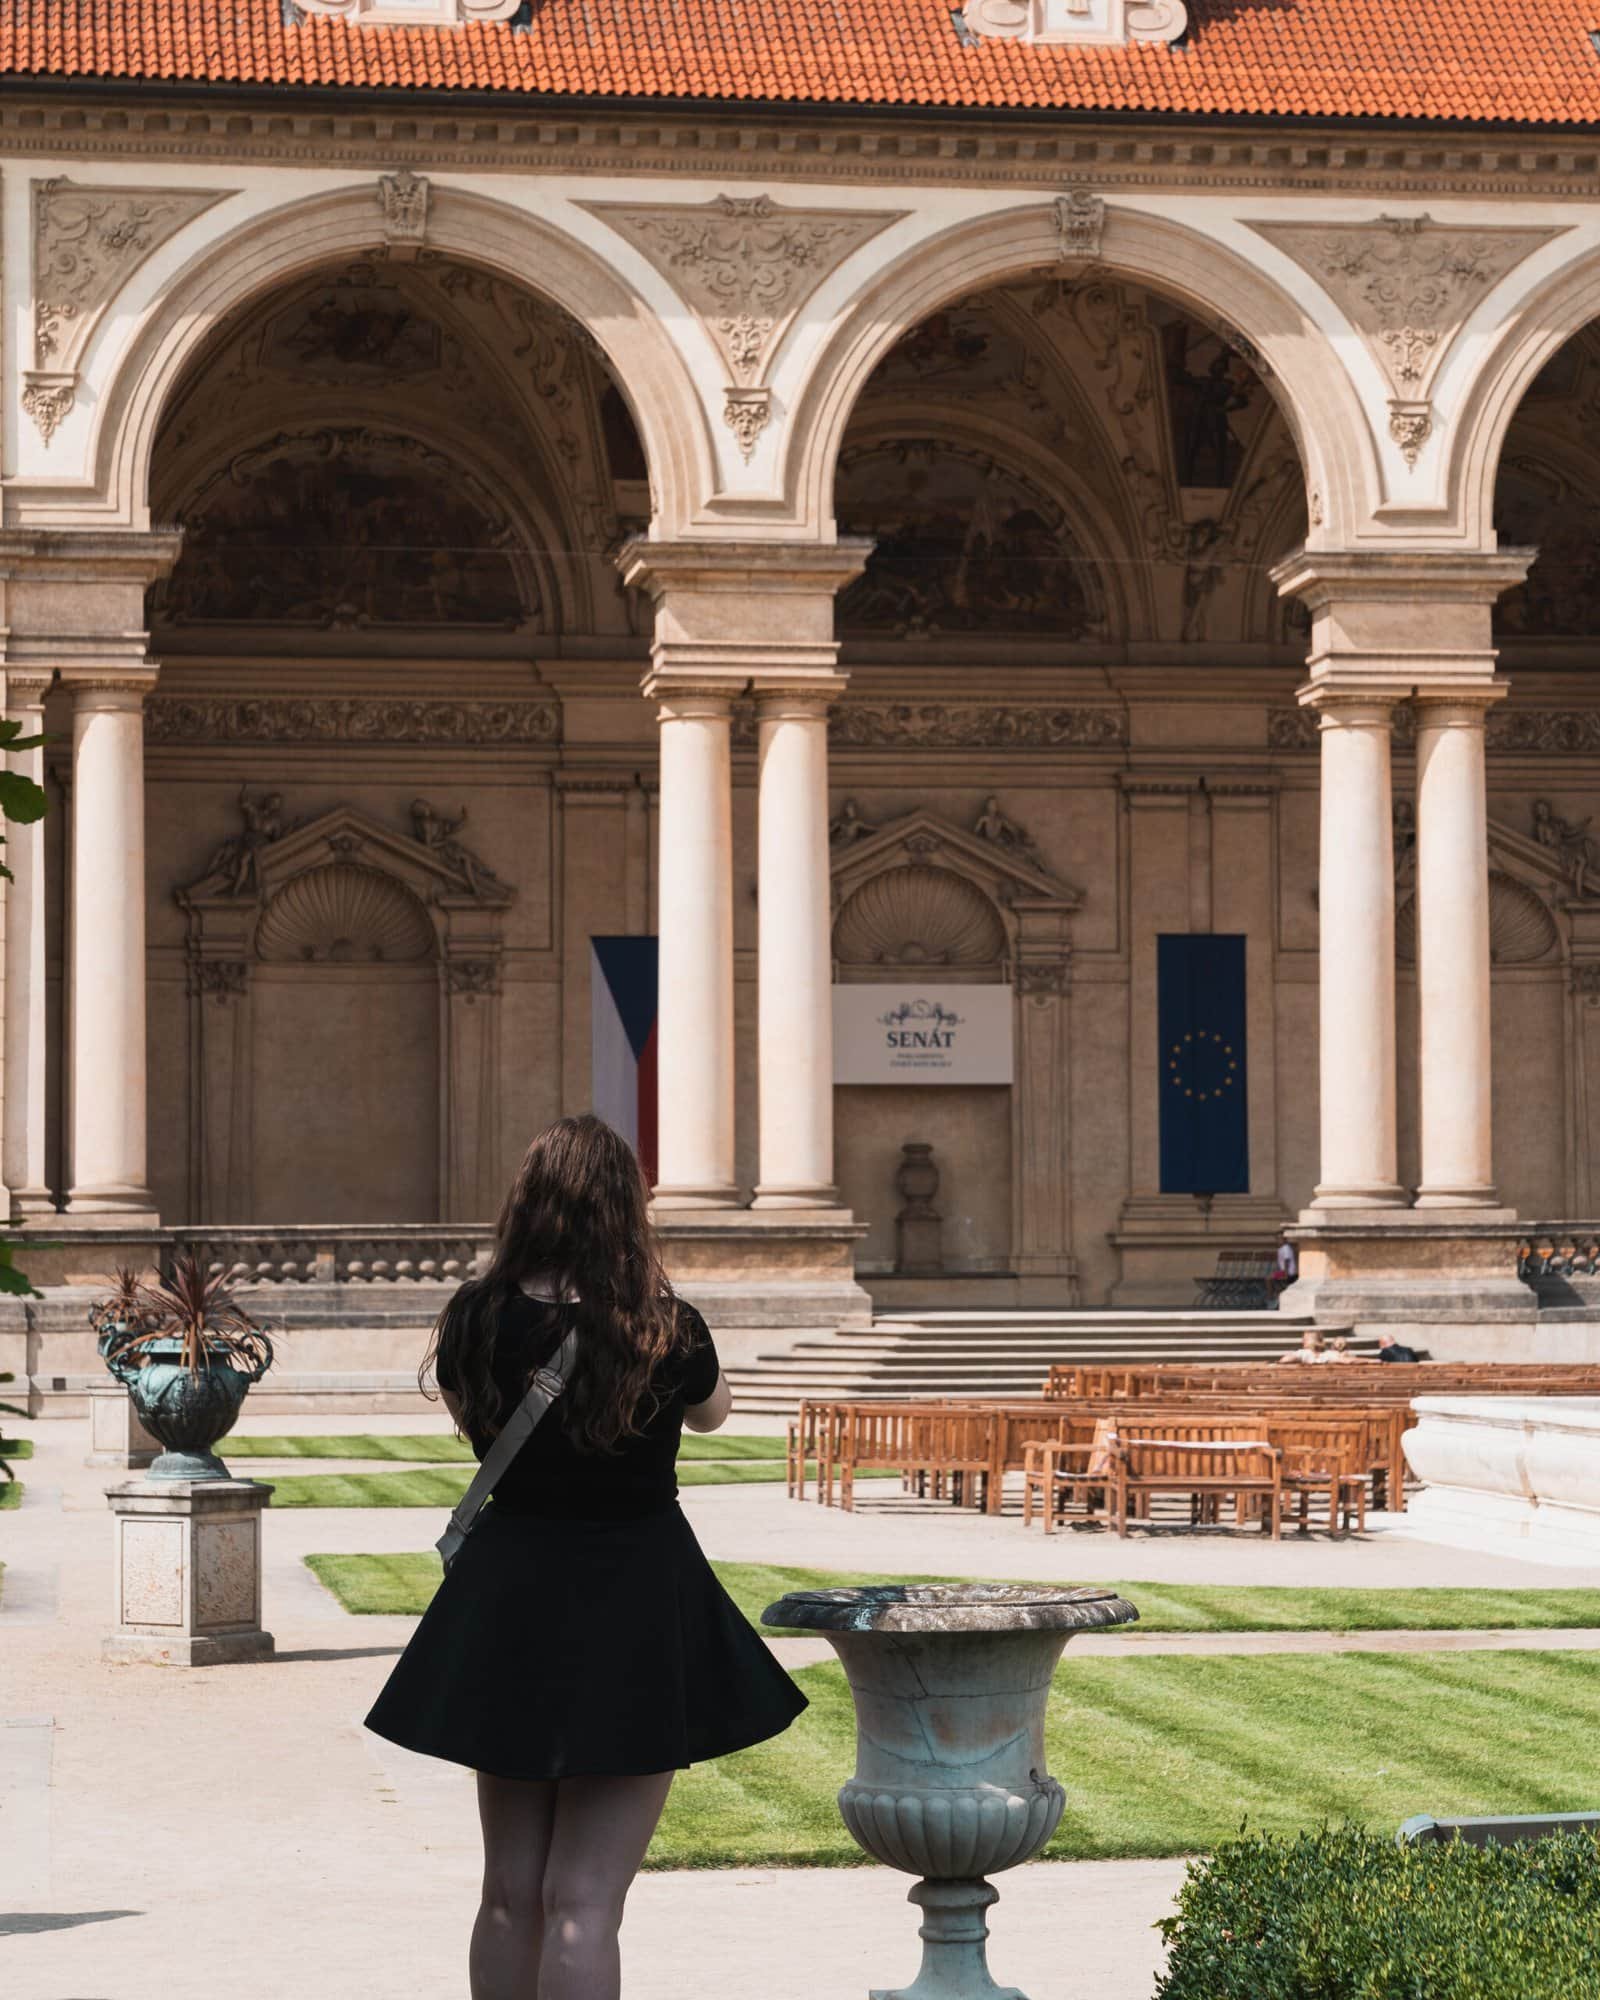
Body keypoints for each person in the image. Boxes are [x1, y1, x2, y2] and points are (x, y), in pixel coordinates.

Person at [365, 1115, 805, 2000]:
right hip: (635, 1599)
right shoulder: (664, 1326)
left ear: (528, 1201)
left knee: (508, 1897)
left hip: (513, 1593)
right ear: (626, 1208)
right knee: (586, 1904)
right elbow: (715, 1414)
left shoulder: (476, 1316)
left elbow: (473, 1422)